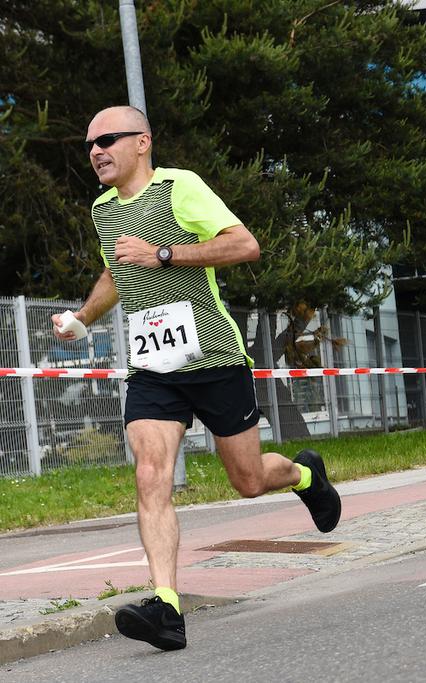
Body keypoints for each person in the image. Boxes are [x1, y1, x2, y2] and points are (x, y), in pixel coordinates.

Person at [52, 106, 342, 651]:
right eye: (89, 144)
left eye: (107, 139)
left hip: (212, 356)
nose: (95, 151)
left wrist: (162, 253)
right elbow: (119, 270)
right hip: (153, 369)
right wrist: (82, 317)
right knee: (150, 473)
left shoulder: (178, 187)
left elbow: (244, 245)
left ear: (143, 142)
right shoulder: (103, 209)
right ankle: (166, 607)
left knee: (248, 480)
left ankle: (306, 476)